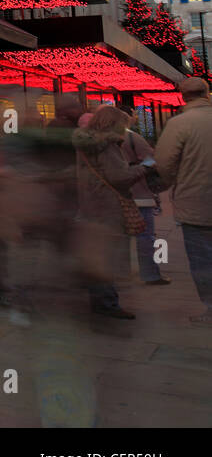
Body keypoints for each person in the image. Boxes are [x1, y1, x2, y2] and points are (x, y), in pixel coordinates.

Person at [73, 106, 147, 319]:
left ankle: (100, 300)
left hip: (90, 205)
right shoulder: (108, 146)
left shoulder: (86, 144)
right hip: (107, 206)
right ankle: (107, 303)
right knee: (107, 258)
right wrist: (145, 167)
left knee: (98, 256)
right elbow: (119, 177)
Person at [155, 77, 212, 326]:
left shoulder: (179, 124)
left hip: (196, 203)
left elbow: (164, 165)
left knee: (202, 261)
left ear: (182, 96)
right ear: (207, 93)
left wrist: (174, 182)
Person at [120, 108, 169, 285]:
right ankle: (151, 274)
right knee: (145, 235)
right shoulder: (132, 137)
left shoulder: (101, 139)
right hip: (139, 192)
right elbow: (151, 160)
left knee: (121, 236)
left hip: (116, 194)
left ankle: (121, 273)